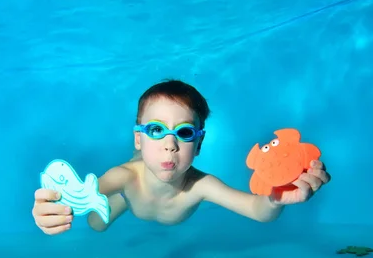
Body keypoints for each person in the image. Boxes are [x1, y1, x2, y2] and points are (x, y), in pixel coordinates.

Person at [32, 79, 330, 234]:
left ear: (199, 146)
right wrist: (50, 207)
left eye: (185, 133)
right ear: (138, 137)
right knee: (98, 224)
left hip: (157, 198)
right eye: (156, 130)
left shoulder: (200, 185)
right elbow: (82, 192)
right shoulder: (123, 175)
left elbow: (256, 210)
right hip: (130, 191)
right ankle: (126, 195)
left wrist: (274, 197)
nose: (170, 144)